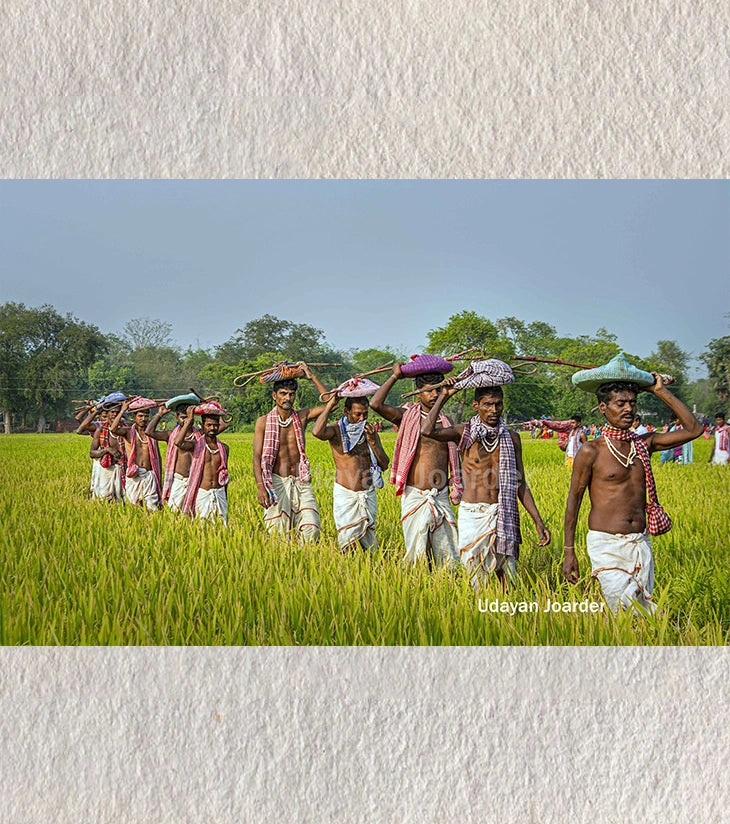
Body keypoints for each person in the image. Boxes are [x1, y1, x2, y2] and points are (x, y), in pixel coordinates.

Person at [563, 369, 703, 614]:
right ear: (603, 408)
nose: (628, 409)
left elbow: (694, 430)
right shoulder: (591, 451)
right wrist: (569, 552)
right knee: (623, 611)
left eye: (632, 403)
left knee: (640, 612)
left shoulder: (644, 444)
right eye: (620, 403)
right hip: (606, 544)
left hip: (640, 542)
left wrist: (660, 391)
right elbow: (573, 502)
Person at [421, 377, 550, 589]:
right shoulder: (464, 432)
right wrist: (443, 395)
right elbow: (427, 431)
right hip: (473, 513)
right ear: (476, 406)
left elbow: (521, 484)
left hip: (502, 511)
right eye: (487, 404)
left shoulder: (512, 438)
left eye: (498, 403)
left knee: (507, 572)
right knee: (474, 575)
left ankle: (506, 613)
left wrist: (537, 520)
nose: (494, 409)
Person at [370, 362, 462, 568]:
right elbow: (375, 404)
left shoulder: (447, 423)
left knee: (448, 558)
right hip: (416, 495)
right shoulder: (407, 417)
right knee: (418, 556)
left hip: (441, 495)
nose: (434, 395)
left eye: (439, 390)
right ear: (417, 393)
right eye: (429, 390)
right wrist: (395, 377)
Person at [253, 362, 328, 541]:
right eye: (283, 394)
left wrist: (311, 376)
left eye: (291, 394)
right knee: (278, 533)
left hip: (300, 482)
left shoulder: (302, 417)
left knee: (312, 528)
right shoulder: (263, 422)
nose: (288, 397)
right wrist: (260, 487)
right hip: (276, 481)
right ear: (274, 396)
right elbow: (257, 457)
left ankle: (307, 562)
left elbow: (330, 403)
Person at [312, 393, 389, 552]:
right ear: (346, 412)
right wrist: (328, 406)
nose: (362, 418)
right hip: (346, 495)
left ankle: (368, 571)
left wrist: (373, 442)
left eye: (365, 414)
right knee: (349, 543)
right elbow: (317, 432)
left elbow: (384, 463)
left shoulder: (370, 432)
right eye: (357, 414)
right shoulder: (337, 431)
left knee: (368, 545)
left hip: (367, 493)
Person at [146, 394, 229, 511]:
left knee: (193, 514)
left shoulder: (201, 435)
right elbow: (149, 432)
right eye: (182, 417)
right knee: (173, 512)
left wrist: (212, 407)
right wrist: (159, 414)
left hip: (196, 480)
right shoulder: (171, 435)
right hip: (180, 480)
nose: (185, 421)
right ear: (177, 418)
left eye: (187, 417)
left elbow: (224, 425)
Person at [175, 403, 230, 523]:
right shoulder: (196, 445)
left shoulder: (224, 448)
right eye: (209, 425)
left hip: (219, 492)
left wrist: (225, 497)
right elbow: (178, 442)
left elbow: (225, 475)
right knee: (202, 527)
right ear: (202, 426)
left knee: (222, 528)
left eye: (215, 425)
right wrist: (189, 421)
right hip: (203, 493)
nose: (212, 428)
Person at [110, 398, 162, 511]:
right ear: (134, 417)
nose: (144, 419)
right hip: (135, 474)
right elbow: (113, 429)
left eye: (146, 416)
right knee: (134, 507)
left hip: (149, 475)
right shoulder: (128, 432)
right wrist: (122, 410)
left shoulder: (151, 434)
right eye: (140, 416)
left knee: (152, 509)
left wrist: (160, 414)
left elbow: (157, 457)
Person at [89, 401, 125, 502]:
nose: (115, 414)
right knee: (104, 500)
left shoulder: (127, 429)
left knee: (123, 501)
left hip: (123, 469)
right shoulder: (100, 430)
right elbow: (92, 453)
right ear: (107, 413)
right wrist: (107, 449)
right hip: (107, 470)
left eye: (117, 412)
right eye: (112, 412)